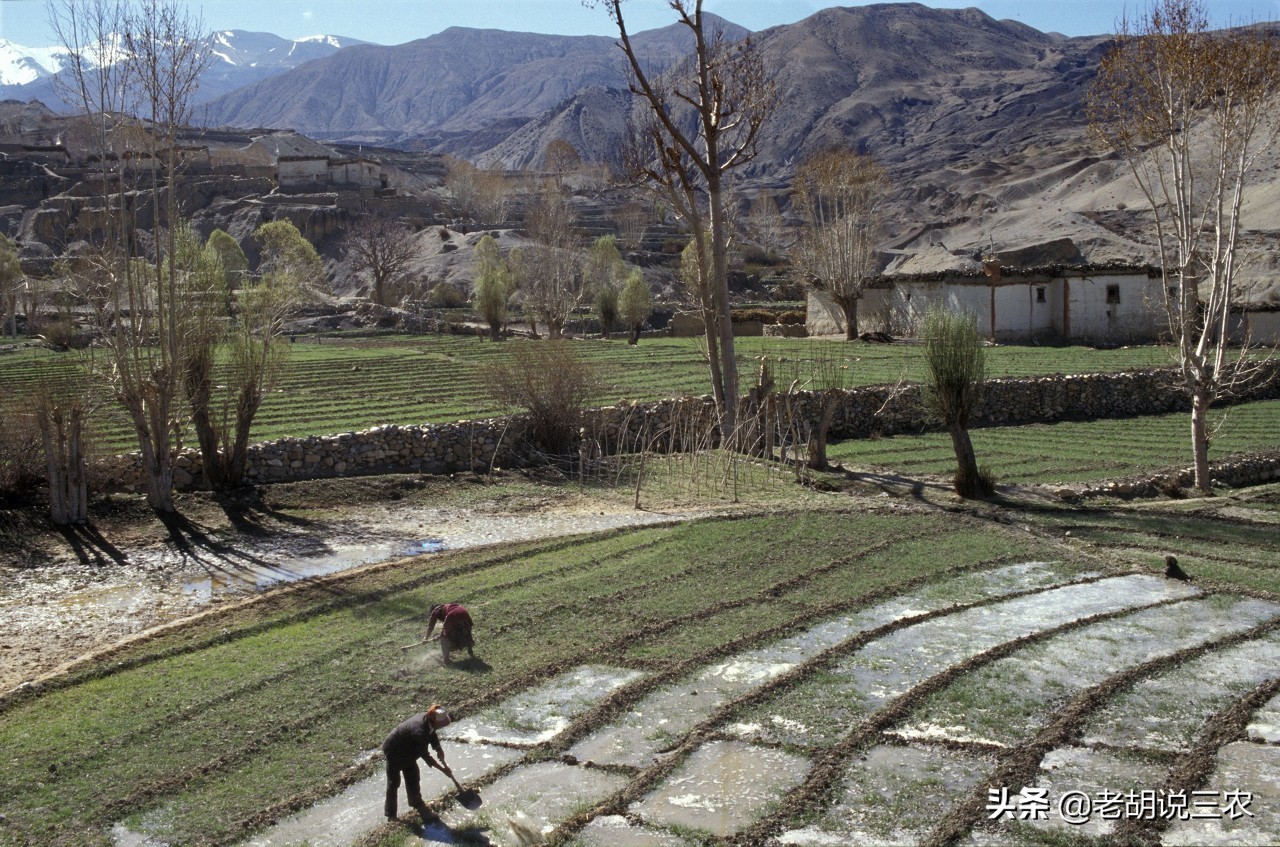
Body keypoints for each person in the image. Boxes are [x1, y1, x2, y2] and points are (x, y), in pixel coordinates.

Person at [382, 705, 454, 823]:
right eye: (440, 725)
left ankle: (416, 803)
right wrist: (443, 769)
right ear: (434, 722)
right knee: (393, 782)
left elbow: (432, 733)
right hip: (394, 750)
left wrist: (438, 749)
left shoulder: (428, 720)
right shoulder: (419, 730)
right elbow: (425, 756)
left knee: (413, 777)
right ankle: (391, 816)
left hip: (409, 749)